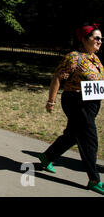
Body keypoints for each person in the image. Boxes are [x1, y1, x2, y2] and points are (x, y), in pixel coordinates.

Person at [38, 23, 103, 195]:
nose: (100, 41)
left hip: (91, 104)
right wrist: (51, 101)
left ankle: (47, 157)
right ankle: (94, 179)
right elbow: (57, 78)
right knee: (90, 139)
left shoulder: (95, 59)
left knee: (73, 135)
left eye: (101, 39)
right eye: (96, 38)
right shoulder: (74, 57)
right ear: (84, 39)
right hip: (76, 102)